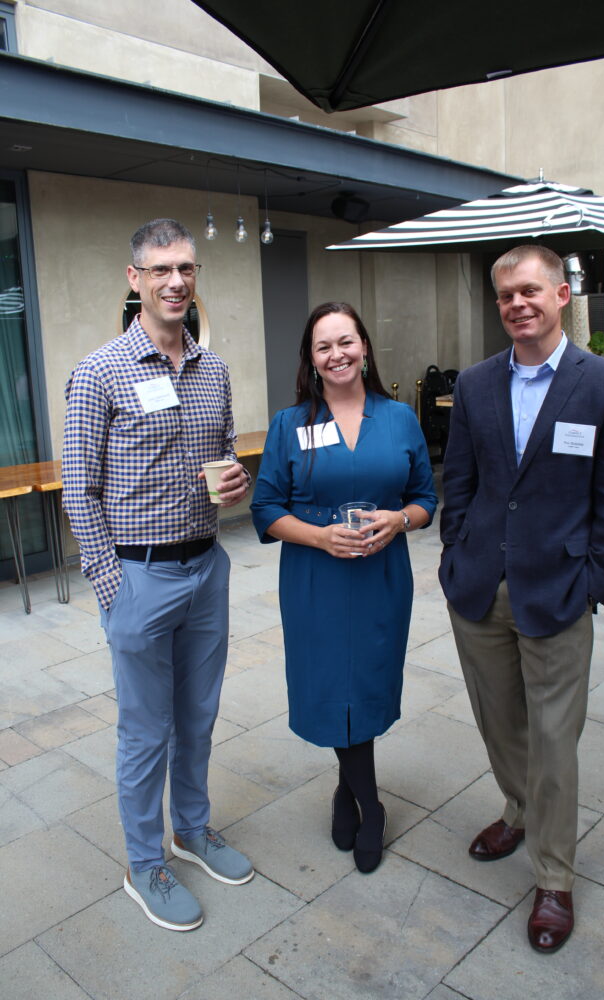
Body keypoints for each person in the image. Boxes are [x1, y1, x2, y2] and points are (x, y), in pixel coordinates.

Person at [439, 245, 604, 952]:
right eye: (504, 296)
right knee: (501, 726)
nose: (516, 304)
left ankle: (553, 879)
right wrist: (454, 549)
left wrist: (595, 582)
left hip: (558, 590)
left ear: (561, 295)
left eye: (529, 291)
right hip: (478, 589)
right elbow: (457, 481)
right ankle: (519, 808)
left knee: (554, 740)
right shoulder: (473, 383)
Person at [62, 218, 254, 932]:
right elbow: (78, 488)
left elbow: (222, 456)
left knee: (197, 718)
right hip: (139, 578)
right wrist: (112, 587)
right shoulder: (101, 370)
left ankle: (192, 832)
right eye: (162, 269)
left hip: (206, 568)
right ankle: (145, 864)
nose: (177, 282)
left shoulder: (214, 369)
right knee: (146, 733)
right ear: (134, 278)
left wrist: (230, 486)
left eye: (188, 269)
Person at [251, 302, 437, 873]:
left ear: (365, 348)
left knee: (369, 683)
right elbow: (265, 509)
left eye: (346, 342)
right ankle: (371, 805)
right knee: (333, 684)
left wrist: (398, 520)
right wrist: (319, 536)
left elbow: (427, 500)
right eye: (324, 346)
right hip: (316, 579)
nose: (337, 355)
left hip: (382, 576)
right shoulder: (291, 424)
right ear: (310, 358)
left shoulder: (400, 418)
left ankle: (346, 790)